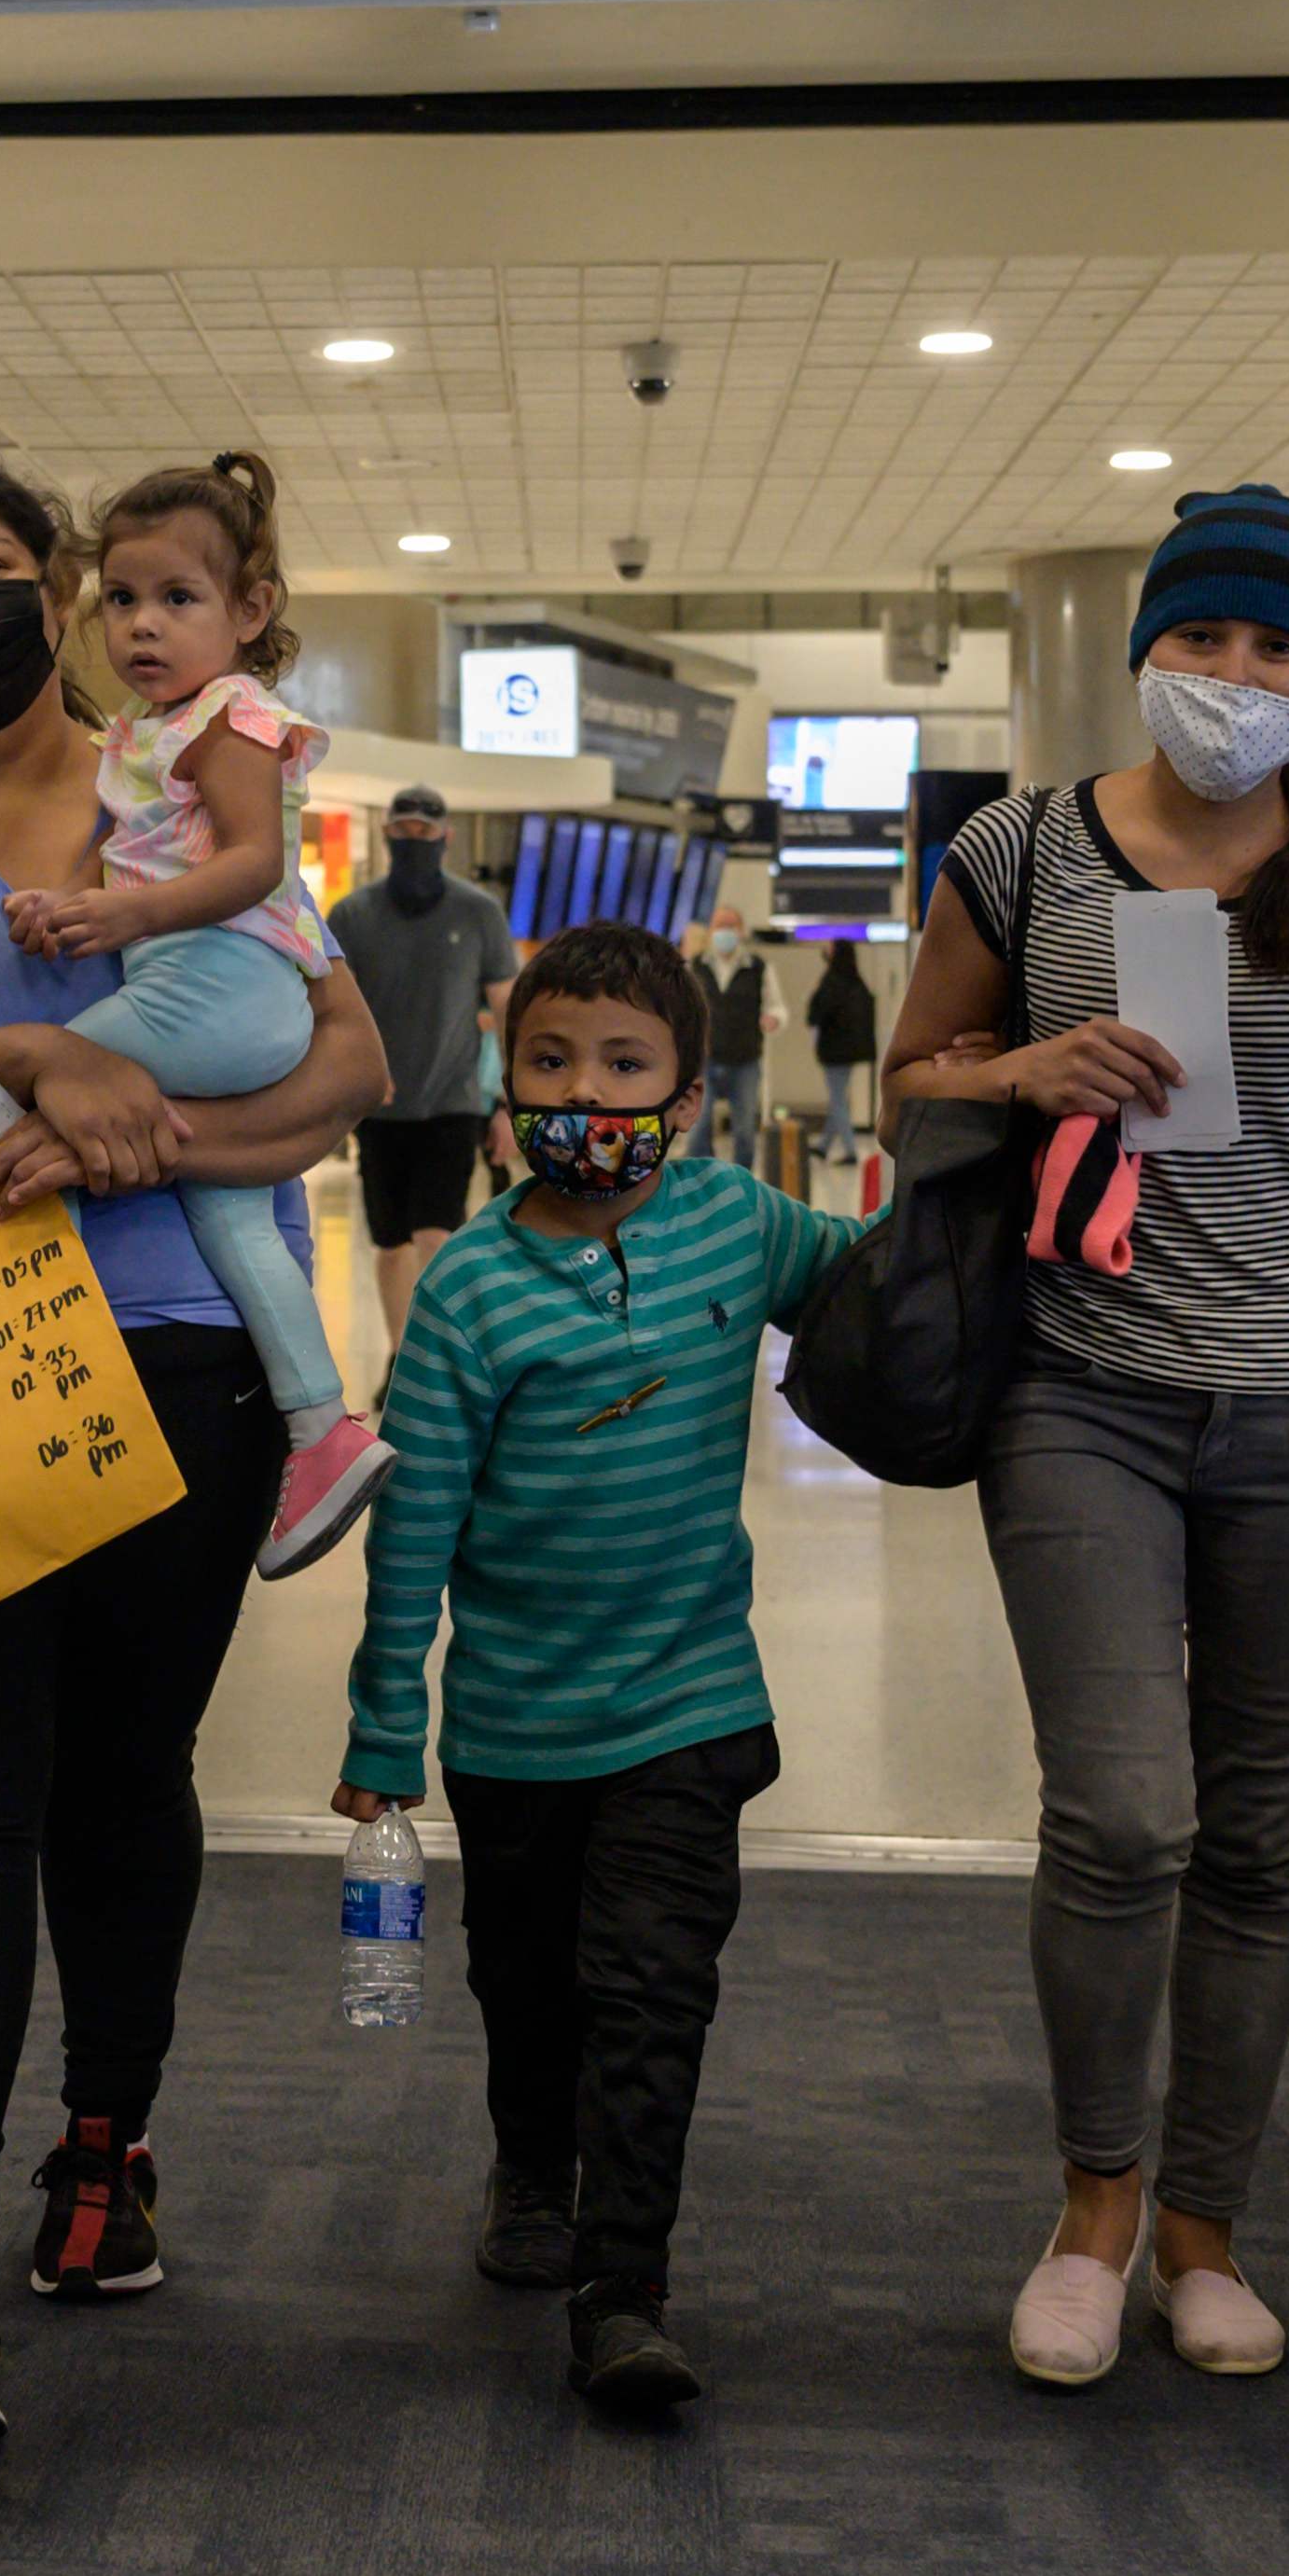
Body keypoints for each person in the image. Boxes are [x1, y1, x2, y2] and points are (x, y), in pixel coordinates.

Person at [0, 452, 387, 2467]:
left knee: (123, 1780)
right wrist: (40, 1053)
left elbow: (347, 1062)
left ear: (71, 593)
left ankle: (107, 2146)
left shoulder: (188, 767)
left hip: (187, 1365)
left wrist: (148, 1136)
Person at [883, 484, 1289, 2391]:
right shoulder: (1020, 850)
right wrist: (1018, 1064)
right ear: (1143, 646)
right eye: (1205, 639)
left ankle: (1204, 2225)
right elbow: (910, 1068)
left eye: (1278, 650)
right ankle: (1092, 2203)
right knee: (1120, 1809)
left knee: (1263, 1833)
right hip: (1077, 1388)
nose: (1235, 679)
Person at [340, 924, 866, 2414]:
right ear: (507, 1084)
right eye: (553, 1061)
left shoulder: (737, 1223)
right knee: (527, 1980)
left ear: (688, 1095)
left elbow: (875, 1290)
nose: (587, 1092)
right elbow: (416, 1528)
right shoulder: (468, 1293)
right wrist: (387, 1721)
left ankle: (623, 2285)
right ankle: (529, 2156)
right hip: (510, 1727)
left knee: (649, 1988)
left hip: (688, 1704)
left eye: (625, 1066)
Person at [0, 450, 392, 1575]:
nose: (141, 627)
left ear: (250, 612)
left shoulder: (230, 719)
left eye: (178, 598)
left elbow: (260, 863)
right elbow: (142, 856)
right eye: (120, 599)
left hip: (221, 986)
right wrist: (67, 906)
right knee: (234, 1221)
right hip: (227, 995)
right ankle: (323, 1431)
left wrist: (125, 921)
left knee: (25, 1087)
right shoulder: (147, 730)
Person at [328, 781, 523, 1336]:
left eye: (426, 832)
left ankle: (431, 1354)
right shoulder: (353, 915)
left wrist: (509, 1102)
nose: (415, 841)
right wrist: (352, 1073)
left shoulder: (479, 913)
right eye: (403, 831)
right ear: (387, 835)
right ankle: (399, 1349)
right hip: (379, 1108)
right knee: (390, 1244)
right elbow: (328, 1007)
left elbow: (508, 1009)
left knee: (438, 1235)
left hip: (452, 1103)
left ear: (446, 837)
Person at [692, 918, 773, 1176]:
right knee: (698, 1126)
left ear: (741, 930)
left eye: (730, 925)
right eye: (719, 925)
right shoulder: (696, 966)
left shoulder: (757, 967)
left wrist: (774, 1018)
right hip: (705, 1059)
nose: (724, 932)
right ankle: (704, 1181)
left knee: (745, 1131)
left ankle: (740, 1183)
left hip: (745, 1059)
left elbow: (776, 1006)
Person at [803, 935, 881, 1184]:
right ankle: (824, 1145)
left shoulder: (831, 983)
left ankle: (849, 1150)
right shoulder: (857, 983)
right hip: (850, 1052)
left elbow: (816, 1013)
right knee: (839, 1096)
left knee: (837, 1099)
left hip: (834, 1052)